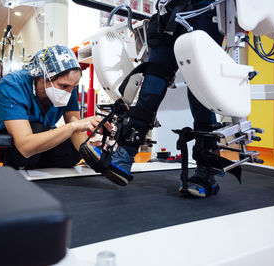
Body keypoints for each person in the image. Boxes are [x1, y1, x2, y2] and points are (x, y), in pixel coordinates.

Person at [83, 0, 224, 197]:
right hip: (170, 13)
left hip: (205, 8)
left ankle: (206, 171)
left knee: (199, 85)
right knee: (152, 81)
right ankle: (124, 155)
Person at [0, 45, 109, 170]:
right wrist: (74, 126)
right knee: (38, 130)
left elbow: (76, 133)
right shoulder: (12, 85)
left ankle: (36, 171)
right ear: (43, 76)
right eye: (63, 86)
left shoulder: (69, 88)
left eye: (73, 87)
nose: (69, 91)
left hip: (34, 141)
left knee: (73, 152)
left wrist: (92, 152)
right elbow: (25, 145)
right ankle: (18, 172)